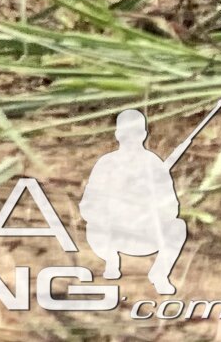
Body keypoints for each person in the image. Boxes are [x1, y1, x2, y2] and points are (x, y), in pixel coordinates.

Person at [79, 108, 190, 292]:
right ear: (118, 134)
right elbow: (87, 206)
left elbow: (171, 208)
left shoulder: (154, 164)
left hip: (145, 235)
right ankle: (111, 261)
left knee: (178, 227)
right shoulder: (106, 164)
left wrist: (149, 207)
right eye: (126, 133)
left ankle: (160, 274)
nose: (131, 138)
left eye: (136, 133)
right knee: (94, 227)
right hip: (111, 236)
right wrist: (113, 209)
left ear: (144, 134)